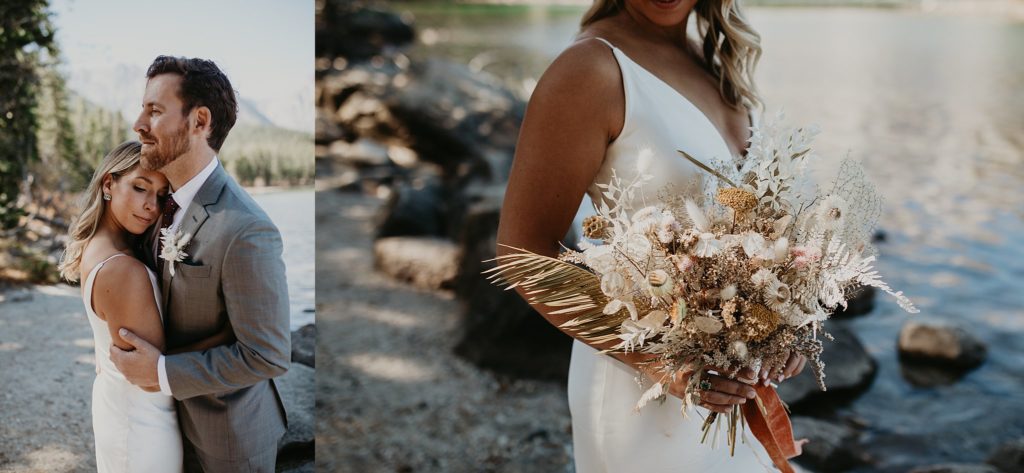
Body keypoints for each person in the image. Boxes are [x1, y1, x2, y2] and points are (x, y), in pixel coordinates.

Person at [495, 0, 807, 470]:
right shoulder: (590, 69)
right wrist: (669, 367)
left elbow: (751, 227)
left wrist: (781, 323)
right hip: (638, 392)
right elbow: (521, 255)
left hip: (734, 388)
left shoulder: (714, 60)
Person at [107, 55, 291, 473]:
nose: (138, 123)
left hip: (228, 441)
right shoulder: (155, 207)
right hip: (160, 428)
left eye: (154, 110)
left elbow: (269, 356)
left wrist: (162, 372)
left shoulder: (246, 229)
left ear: (199, 120)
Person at [59, 140, 233, 472]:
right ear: (108, 183)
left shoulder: (100, 245)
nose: (151, 206)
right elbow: (151, 375)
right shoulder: (123, 270)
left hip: (119, 406)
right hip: (141, 425)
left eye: (161, 195)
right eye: (140, 187)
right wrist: (227, 332)